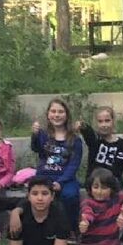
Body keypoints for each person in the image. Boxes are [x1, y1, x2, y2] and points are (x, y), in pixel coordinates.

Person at [31, 98, 83, 228]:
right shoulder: (43, 134)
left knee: (70, 196)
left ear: (67, 115)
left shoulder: (75, 139)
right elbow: (36, 148)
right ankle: (40, 227)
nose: (57, 115)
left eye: (60, 112)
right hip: (44, 175)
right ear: (48, 114)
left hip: (65, 178)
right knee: (39, 196)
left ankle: (71, 229)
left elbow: (74, 164)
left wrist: (61, 182)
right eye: (53, 111)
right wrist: (34, 135)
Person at [78, 106, 123, 185]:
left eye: (107, 121)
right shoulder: (95, 140)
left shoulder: (121, 143)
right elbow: (89, 134)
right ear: (96, 123)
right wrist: (83, 126)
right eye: (100, 121)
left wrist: (106, 180)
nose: (104, 125)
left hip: (112, 182)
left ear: (113, 121)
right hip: (94, 181)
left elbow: (119, 168)